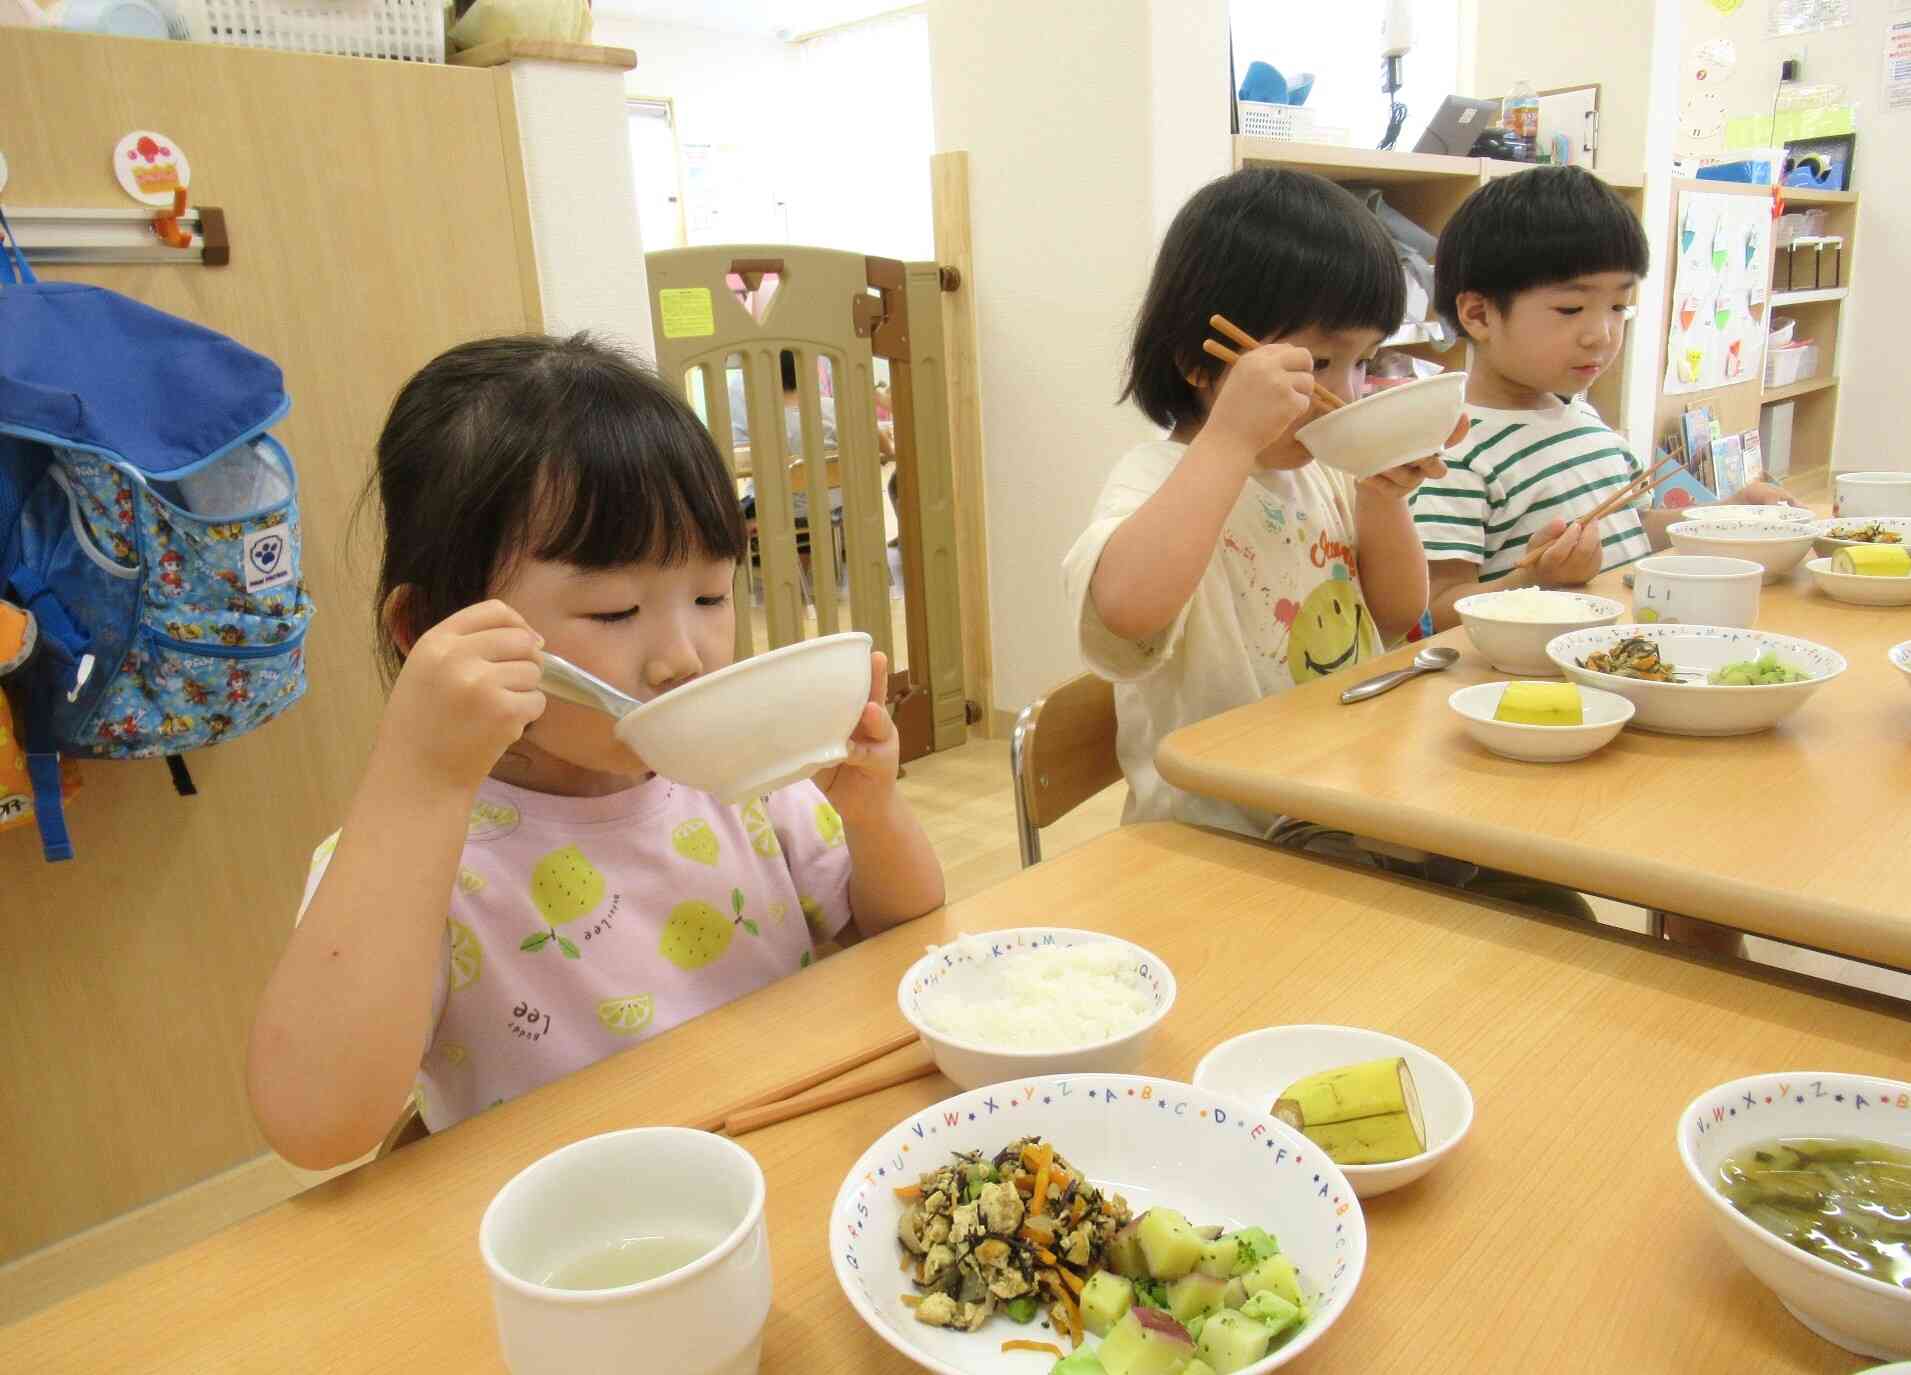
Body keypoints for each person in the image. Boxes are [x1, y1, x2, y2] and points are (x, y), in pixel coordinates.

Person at [246, 335, 943, 1169]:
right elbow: (315, 1123)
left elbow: (902, 929)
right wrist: (418, 780)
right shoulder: (419, 854)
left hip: (786, 1168)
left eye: (712, 594)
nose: (682, 655)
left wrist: (872, 813)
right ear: (431, 631)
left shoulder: (737, 775)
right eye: (615, 610)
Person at [1061, 167, 1445, 840]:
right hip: (1222, 833)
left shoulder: (1322, 475)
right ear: (1199, 360)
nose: (1345, 393)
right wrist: (1231, 440)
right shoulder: (1161, 478)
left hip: (1345, 799)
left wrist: (1381, 497)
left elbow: (1395, 611)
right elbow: (1125, 611)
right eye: (1319, 361)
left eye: (1363, 361)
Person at [1410, 166, 1796, 632]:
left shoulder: (1584, 420)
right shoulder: (1451, 452)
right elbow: (1435, 612)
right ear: (1478, 314)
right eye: (1571, 309)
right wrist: (1536, 578)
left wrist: (1722, 514)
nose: (1602, 335)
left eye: (1619, 306)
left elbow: (1633, 527)